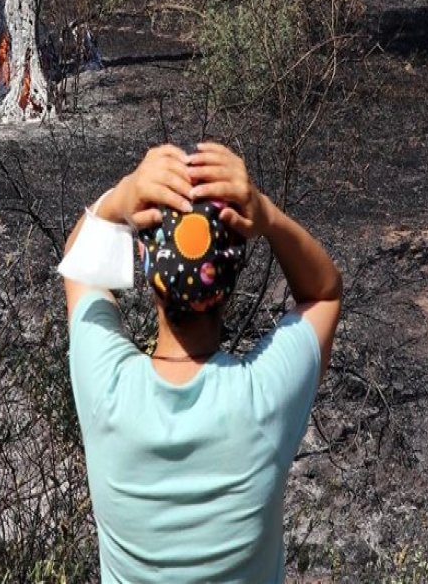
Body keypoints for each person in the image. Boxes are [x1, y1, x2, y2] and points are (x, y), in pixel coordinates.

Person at [58, 142, 342, 583]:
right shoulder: (262, 401)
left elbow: (77, 268)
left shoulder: (106, 393)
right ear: (233, 271)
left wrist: (122, 195)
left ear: (145, 261)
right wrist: (267, 216)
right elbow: (323, 293)